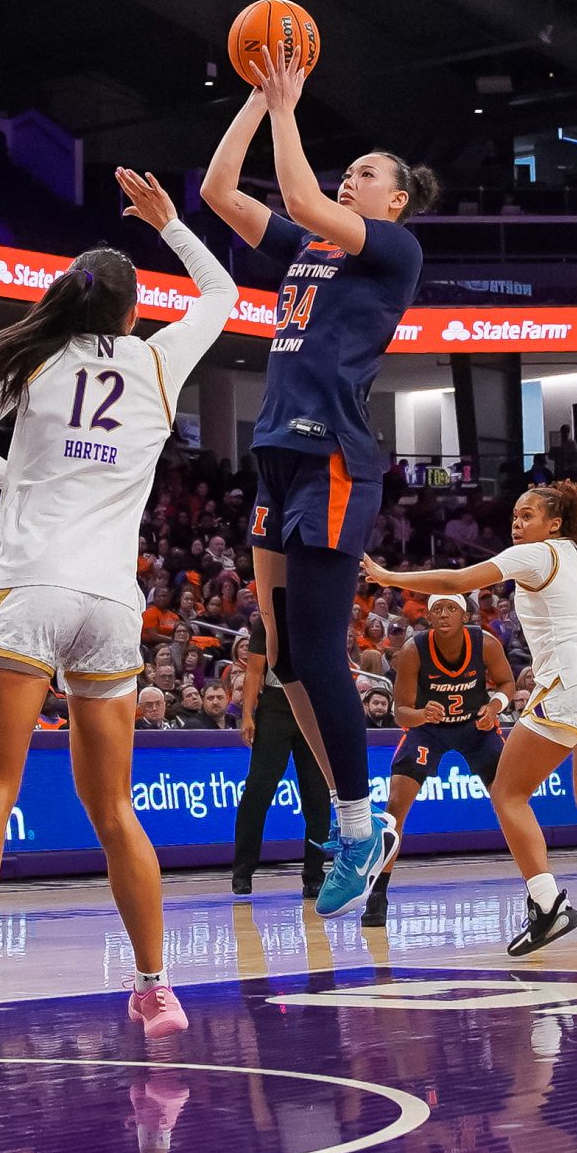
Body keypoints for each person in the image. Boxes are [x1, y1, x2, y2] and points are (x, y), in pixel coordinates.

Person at [0, 166, 237, 1051]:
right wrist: (170, 222)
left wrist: (27, 482)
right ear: (131, 313)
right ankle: (156, 989)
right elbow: (225, 293)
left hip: (30, 589)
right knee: (115, 808)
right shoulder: (161, 361)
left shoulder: (33, 355)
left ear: (64, 300)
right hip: (111, 605)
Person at [200, 51, 433, 917]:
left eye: (364, 175)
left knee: (322, 652)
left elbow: (300, 196)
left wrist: (291, 106)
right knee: (288, 658)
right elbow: (225, 191)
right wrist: (259, 102)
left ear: (394, 201)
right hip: (275, 451)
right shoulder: (308, 246)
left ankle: (359, 822)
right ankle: (350, 819)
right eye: (350, 171)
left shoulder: (395, 251)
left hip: (334, 455)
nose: (349, 179)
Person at [362, 482, 577, 956]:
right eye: (516, 516)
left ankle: (547, 905)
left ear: (555, 523)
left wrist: (388, 576)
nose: (518, 523)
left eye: (528, 516)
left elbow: (455, 583)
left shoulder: (536, 555)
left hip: (573, 681)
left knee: (508, 793)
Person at [362, 592, 515, 925]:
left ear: (464, 615)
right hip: (429, 730)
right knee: (394, 811)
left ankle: (540, 892)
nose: (444, 614)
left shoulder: (485, 643)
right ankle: (377, 894)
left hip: (476, 726)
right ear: (428, 617)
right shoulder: (413, 650)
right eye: (437, 610)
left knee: (510, 803)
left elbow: (506, 683)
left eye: (451, 608)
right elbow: (401, 713)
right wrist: (421, 714)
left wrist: (494, 708)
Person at [228, 622, 329, 899]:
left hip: (313, 704)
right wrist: (247, 714)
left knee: (317, 796)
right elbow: (254, 670)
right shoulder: (269, 621)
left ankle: (314, 875)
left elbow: (333, 668)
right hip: (275, 704)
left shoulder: (321, 615)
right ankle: (242, 871)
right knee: (258, 790)